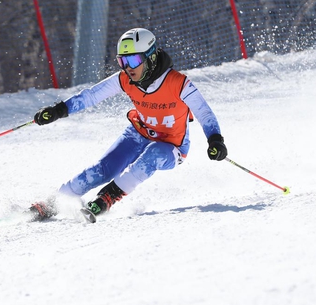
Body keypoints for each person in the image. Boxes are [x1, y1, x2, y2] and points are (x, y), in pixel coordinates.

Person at [29, 27, 227, 222]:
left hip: (172, 147)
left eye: (133, 60)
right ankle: (54, 202)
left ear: (151, 57)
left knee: (153, 155)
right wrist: (58, 110)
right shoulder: (124, 79)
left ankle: (108, 197)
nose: (128, 68)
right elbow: (91, 96)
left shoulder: (178, 83)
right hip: (139, 133)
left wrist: (215, 140)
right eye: (122, 61)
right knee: (104, 169)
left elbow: (204, 112)